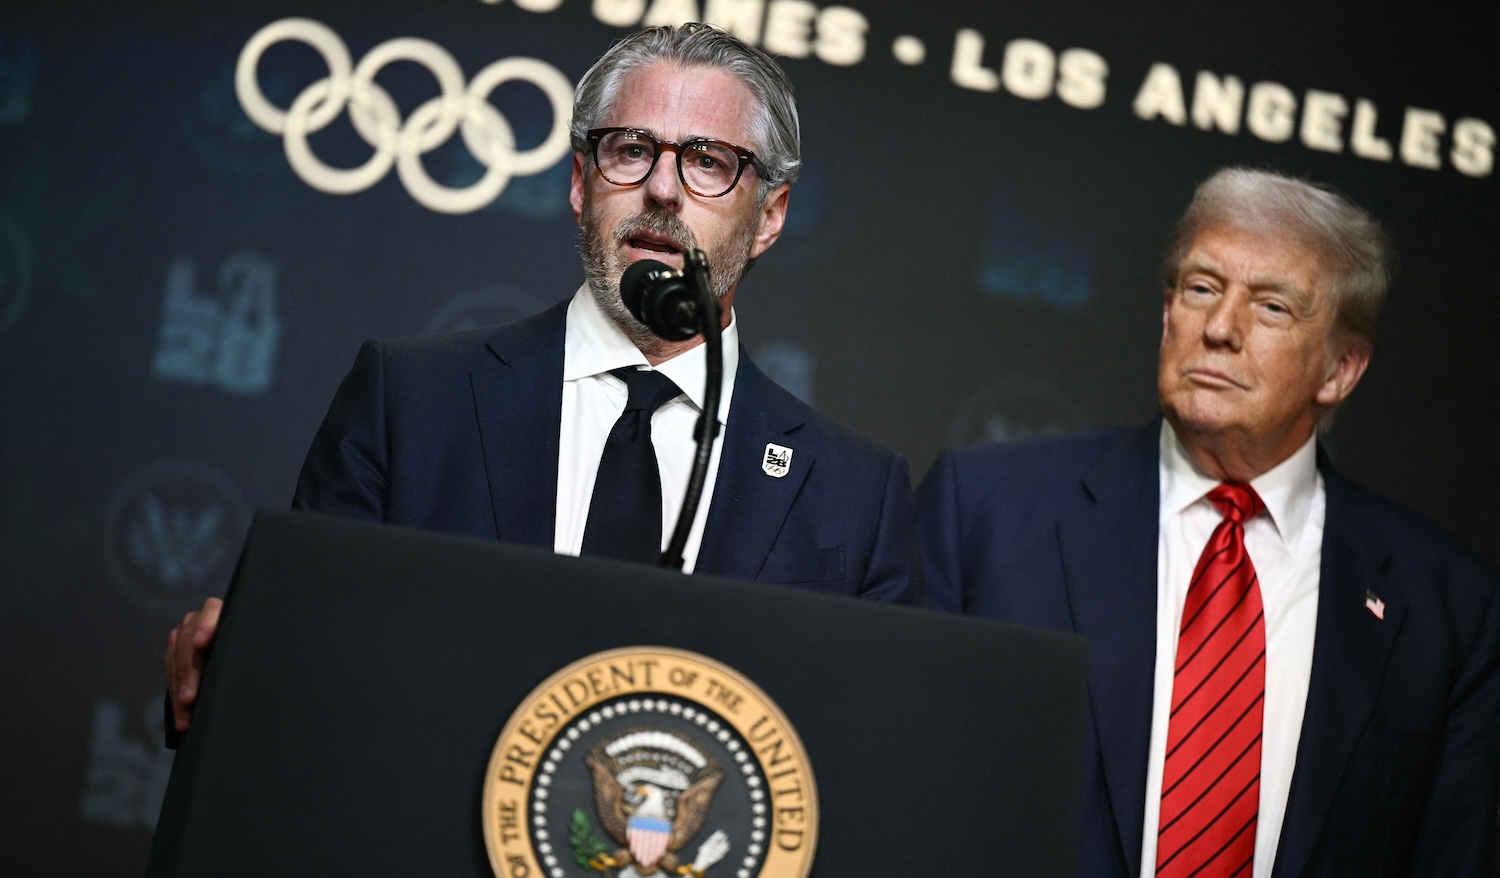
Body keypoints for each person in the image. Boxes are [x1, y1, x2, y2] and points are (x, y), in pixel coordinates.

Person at [166, 23, 922, 738]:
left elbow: (871, 763)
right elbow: (299, 678)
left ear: (769, 216)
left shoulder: (855, 496)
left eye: (708, 162)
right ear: (579, 182)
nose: (662, 188)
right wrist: (234, 665)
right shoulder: (410, 402)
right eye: (630, 150)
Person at [919, 167, 1500, 876]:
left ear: (1340, 369)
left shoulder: (1446, 608)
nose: (1220, 328)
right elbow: (906, 795)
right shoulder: (986, 515)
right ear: (1167, 313)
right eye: (1200, 289)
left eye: (1273, 308)